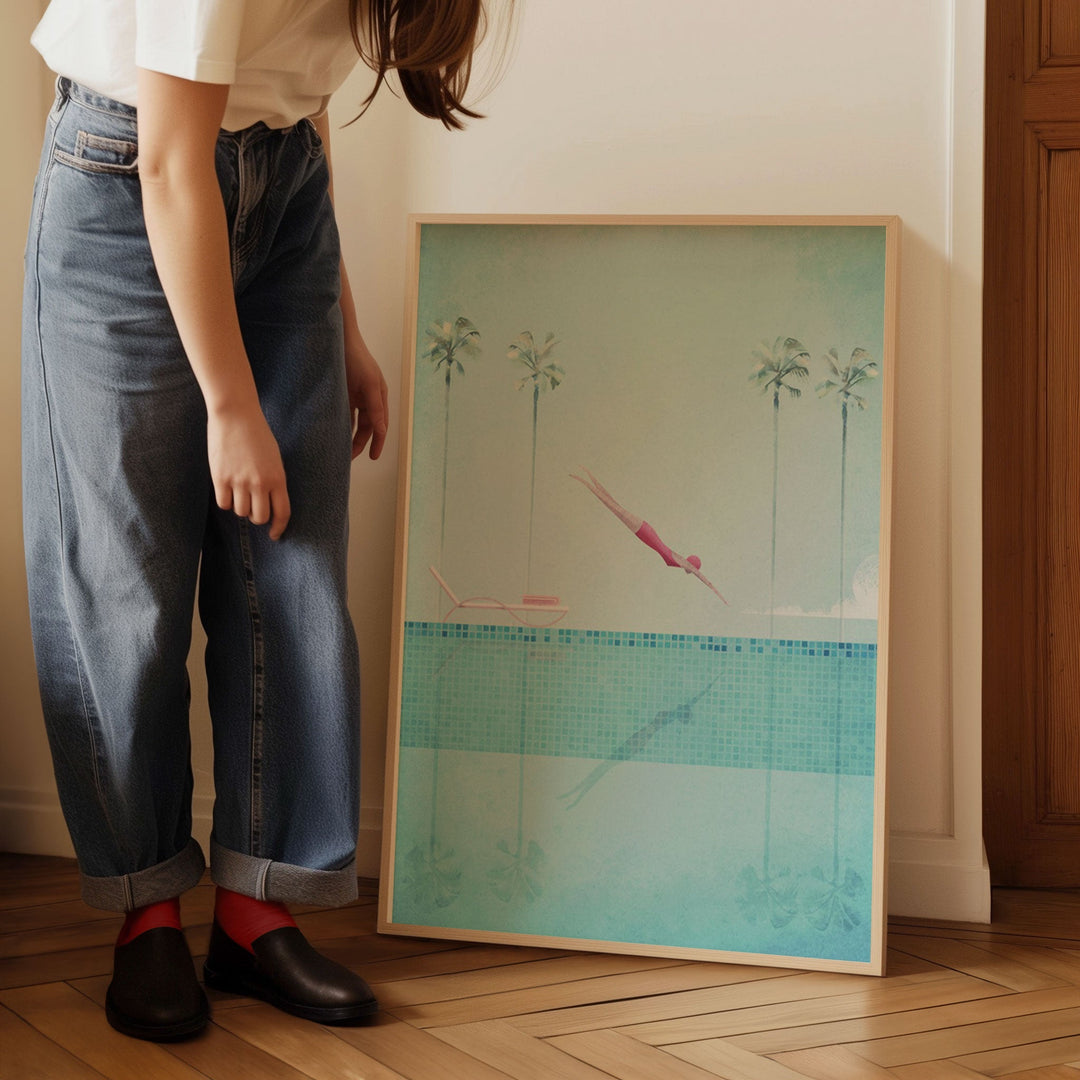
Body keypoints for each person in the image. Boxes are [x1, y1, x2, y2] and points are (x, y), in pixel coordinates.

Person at [22, 0, 502, 1042]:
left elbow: (295, 100)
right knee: (125, 588)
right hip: (126, 182)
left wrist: (345, 326)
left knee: (292, 575)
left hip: (282, 192)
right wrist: (232, 406)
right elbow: (169, 164)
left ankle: (253, 910)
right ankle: (146, 911)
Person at [570, 468, 728, 603]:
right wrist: (718, 594)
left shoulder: (678, 559)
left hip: (644, 531)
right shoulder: (681, 562)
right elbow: (702, 578)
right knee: (613, 506)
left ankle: (586, 476)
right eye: (693, 568)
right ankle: (584, 480)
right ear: (692, 565)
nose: (691, 572)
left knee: (615, 505)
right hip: (643, 530)